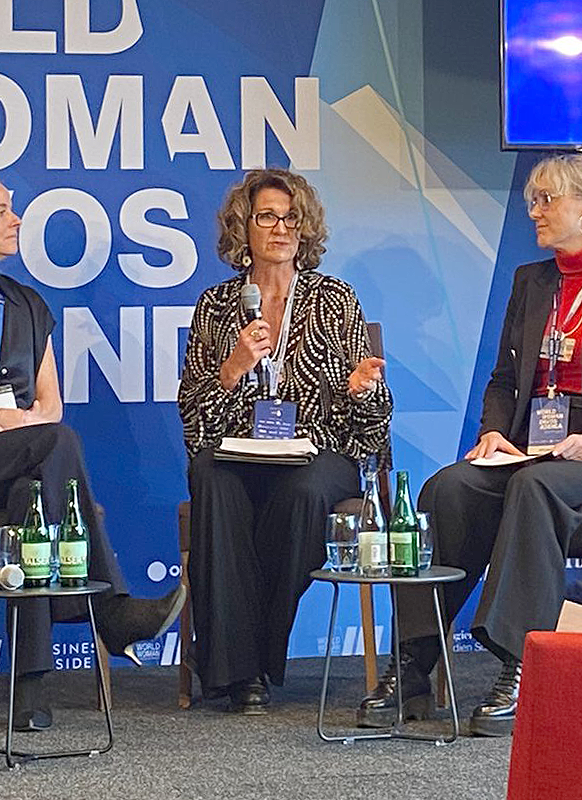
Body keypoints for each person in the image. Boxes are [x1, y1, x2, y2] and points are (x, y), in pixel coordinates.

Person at [359, 154, 582, 736]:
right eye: (532, 200)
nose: (533, 212)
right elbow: (506, 380)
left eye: (546, 200)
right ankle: (414, 661)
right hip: (536, 443)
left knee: (535, 487)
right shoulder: (530, 281)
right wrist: (493, 433)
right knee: (449, 486)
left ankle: (518, 660)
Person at [0, 171, 186, 732]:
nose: (16, 218)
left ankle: (29, 690)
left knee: (33, 497)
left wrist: (11, 425)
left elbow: (51, 404)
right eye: (1, 211)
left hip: (21, 458)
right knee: (56, 445)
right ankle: (111, 612)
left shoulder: (28, 304)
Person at [177, 169, 392, 713]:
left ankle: (249, 665)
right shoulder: (216, 306)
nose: (281, 228)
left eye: (291, 218)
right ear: (242, 228)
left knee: (300, 493)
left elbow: (370, 428)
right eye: (267, 216)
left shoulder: (334, 299)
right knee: (209, 475)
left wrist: (361, 390)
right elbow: (193, 418)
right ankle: (239, 670)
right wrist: (234, 367)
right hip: (241, 449)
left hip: (318, 453)